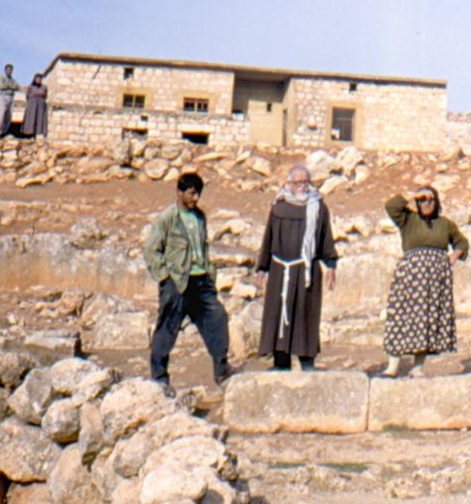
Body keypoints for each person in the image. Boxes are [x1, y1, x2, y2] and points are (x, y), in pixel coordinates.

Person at [144, 172, 241, 396]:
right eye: (191, 193)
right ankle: (159, 379)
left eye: (198, 193)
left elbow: (202, 248)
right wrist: (164, 277)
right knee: (167, 330)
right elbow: (151, 250)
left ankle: (222, 369)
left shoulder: (200, 217)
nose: (196, 198)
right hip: (177, 284)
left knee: (217, 318)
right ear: (179, 192)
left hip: (201, 281)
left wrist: (210, 273)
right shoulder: (167, 217)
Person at [255, 165, 339, 371]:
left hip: (305, 271)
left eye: (305, 182)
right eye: (297, 182)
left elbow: (325, 237)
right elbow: (269, 239)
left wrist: (330, 265)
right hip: (280, 270)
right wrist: (262, 268)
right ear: (288, 184)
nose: (301, 186)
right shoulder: (279, 207)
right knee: (277, 315)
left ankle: (307, 363)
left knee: (305, 315)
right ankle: (280, 364)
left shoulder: (318, 207)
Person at [380, 185, 469, 378]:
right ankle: (392, 366)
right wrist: (412, 195)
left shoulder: (445, 224)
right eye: (422, 200)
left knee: (426, 319)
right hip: (411, 277)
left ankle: (417, 367)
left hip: (434, 280)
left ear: (436, 202)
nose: (426, 203)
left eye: (430, 199)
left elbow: (462, 242)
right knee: (402, 316)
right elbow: (391, 206)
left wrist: (452, 257)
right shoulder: (408, 219)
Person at [0, 64, 18, 139]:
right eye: (8, 69)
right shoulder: (1, 78)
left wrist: (8, 86)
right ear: (5, 70)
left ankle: (4, 132)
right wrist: (9, 86)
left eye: (11, 70)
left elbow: (17, 87)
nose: (9, 71)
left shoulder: (13, 80)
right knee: (1, 113)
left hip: (11, 97)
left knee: (8, 115)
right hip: (3, 96)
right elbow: (0, 86)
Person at [20, 74, 48, 139]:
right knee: (32, 119)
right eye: (37, 78)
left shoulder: (44, 87)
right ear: (34, 79)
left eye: (40, 79)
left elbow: (45, 95)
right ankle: (30, 135)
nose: (38, 80)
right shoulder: (30, 87)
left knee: (40, 119)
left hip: (41, 105)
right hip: (32, 104)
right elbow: (27, 96)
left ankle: (38, 134)